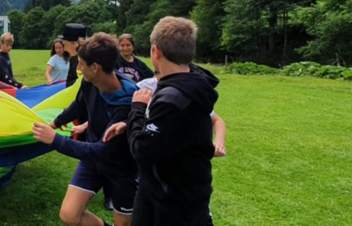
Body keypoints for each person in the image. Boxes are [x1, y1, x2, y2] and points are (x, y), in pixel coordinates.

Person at [104, 17, 219, 226]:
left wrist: (137, 110)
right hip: (163, 189)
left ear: (156, 51)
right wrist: (131, 125)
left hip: (174, 199)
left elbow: (142, 150)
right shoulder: (194, 82)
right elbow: (169, 134)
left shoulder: (173, 98)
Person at [32, 33, 139, 226]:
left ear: (95, 67)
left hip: (122, 169)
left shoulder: (128, 102)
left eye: (80, 63)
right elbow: (79, 105)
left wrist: (55, 139)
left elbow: (102, 150)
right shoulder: (89, 83)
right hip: (92, 162)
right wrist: (54, 123)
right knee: (69, 215)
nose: (78, 68)